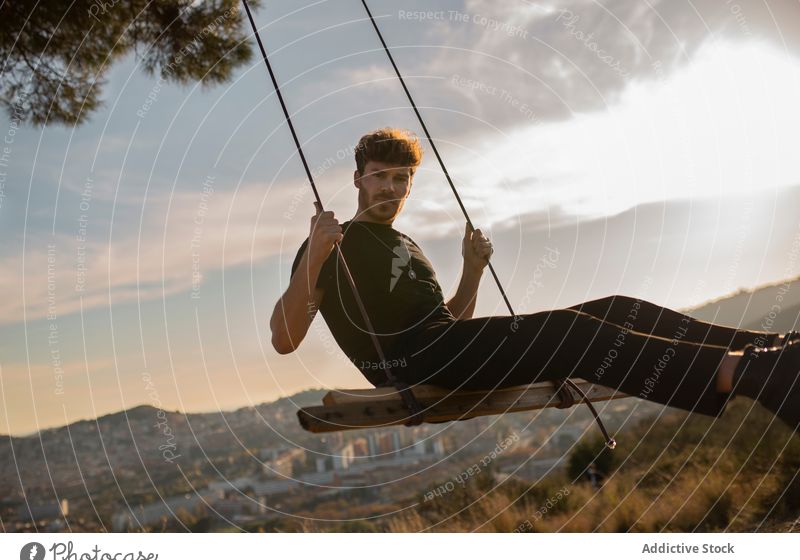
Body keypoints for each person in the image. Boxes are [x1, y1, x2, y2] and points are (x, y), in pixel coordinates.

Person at [270, 127, 800, 431]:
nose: (391, 188)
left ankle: (772, 350)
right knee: (571, 332)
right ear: (359, 178)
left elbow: (454, 324)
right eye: (380, 176)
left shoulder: (407, 245)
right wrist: (314, 257)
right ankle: (752, 376)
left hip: (442, 347)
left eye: (401, 179)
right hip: (406, 363)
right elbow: (284, 338)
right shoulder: (331, 243)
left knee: (617, 308)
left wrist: (472, 272)